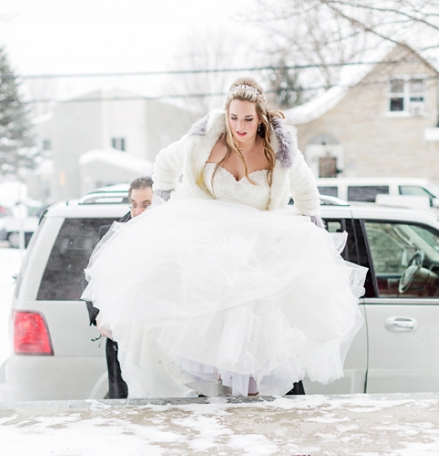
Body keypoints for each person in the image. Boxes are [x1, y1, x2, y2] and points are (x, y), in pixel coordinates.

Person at [82, 77, 367, 398]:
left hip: (258, 242)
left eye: (247, 119)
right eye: (233, 118)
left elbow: (305, 191)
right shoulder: (204, 140)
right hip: (205, 237)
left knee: (254, 328)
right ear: (225, 115)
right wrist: (163, 208)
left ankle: (248, 395)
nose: (239, 126)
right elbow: (164, 163)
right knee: (187, 316)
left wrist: (311, 229)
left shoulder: (280, 151)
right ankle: (204, 390)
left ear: (260, 118)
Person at [85, 176, 154, 398]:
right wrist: (98, 315)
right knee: (123, 404)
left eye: (146, 205)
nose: (138, 212)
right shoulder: (112, 234)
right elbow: (91, 279)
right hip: (120, 338)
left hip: (157, 339)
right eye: (134, 204)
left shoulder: (177, 237)